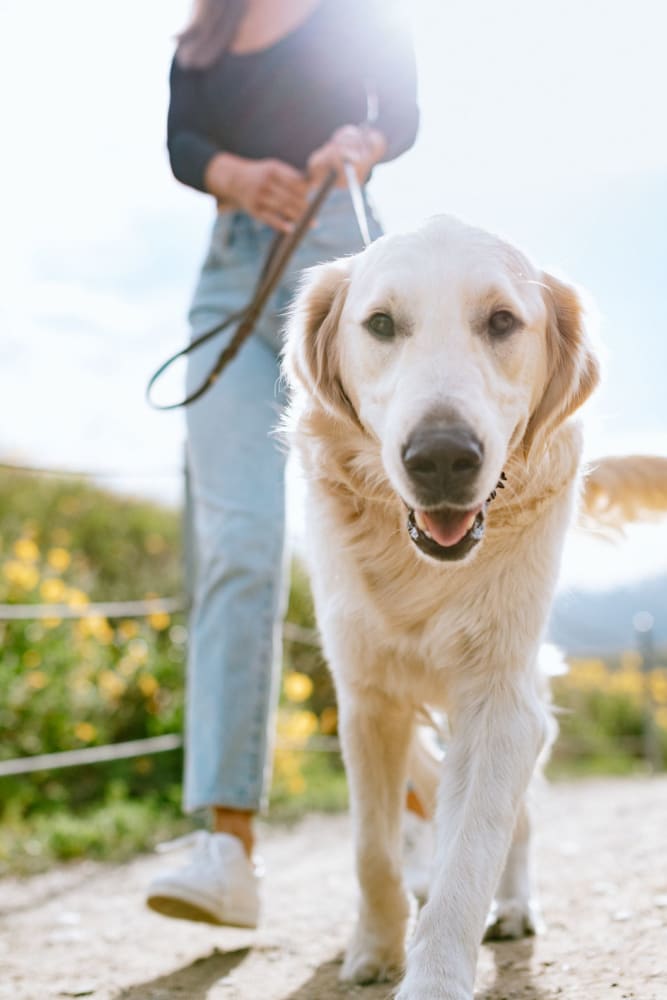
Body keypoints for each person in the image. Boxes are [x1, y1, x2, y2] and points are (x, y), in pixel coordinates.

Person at [146, 0, 420, 928]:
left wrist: (362, 138)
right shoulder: (206, 33)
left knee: (392, 532)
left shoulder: (359, 15)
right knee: (241, 540)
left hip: (347, 267)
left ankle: (426, 796)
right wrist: (231, 170)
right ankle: (227, 846)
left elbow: (404, 113)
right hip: (229, 276)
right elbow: (183, 140)